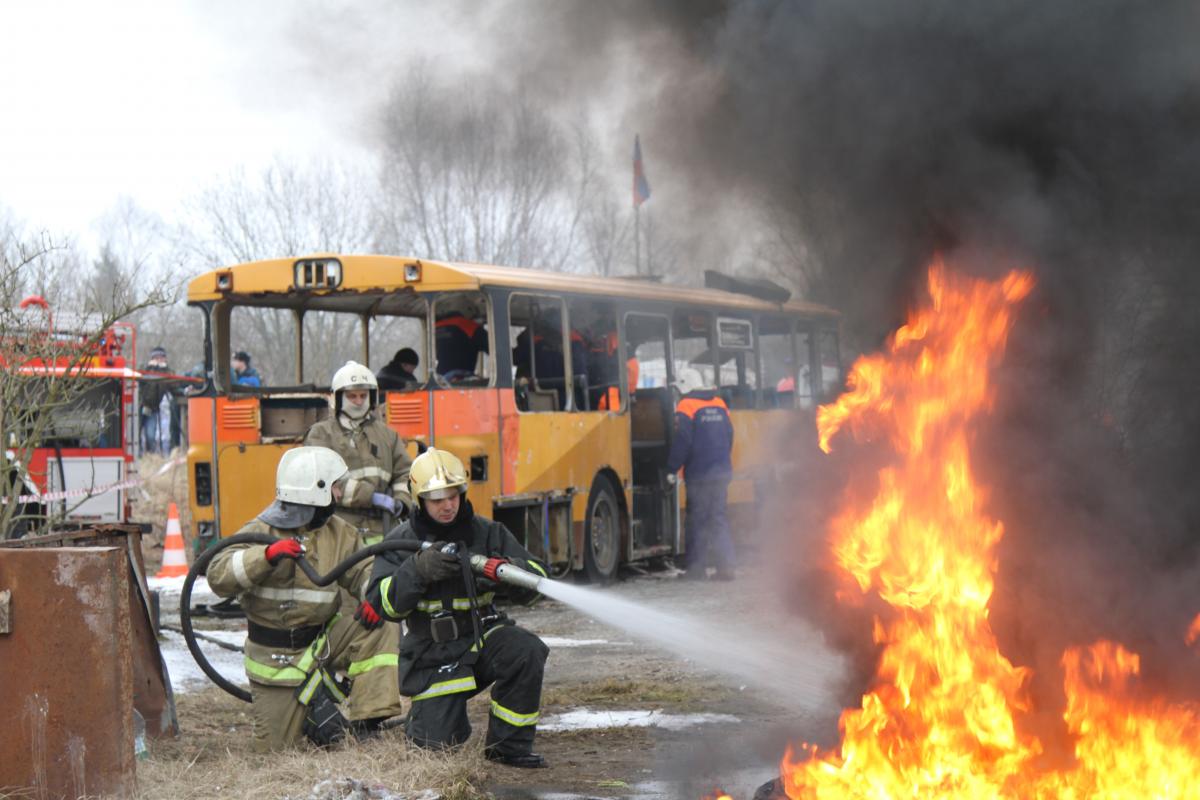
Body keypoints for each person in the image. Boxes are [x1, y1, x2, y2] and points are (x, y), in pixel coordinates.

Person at [206, 446, 404, 751]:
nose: (340, 494)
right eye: (335, 487)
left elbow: (364, 570)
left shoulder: (340, 533)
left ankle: (368, 723)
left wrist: (375, 596)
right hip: (274, 658)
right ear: (318, 491)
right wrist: (265, 556)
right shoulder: (260, 530)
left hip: (322, 642)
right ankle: (310, 705)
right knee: (274, 754)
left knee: (381, 625)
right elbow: (218, 576)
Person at [366, 448, 551, 768]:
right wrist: (417, 571)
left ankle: (509, 746)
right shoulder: (400, 542)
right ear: (419, 498)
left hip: (482, 638)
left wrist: (506, 572)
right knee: (437, 747)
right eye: (437, 498)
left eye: (453, 495)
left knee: (526, 650)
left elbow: (539, 583)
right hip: (431, 653)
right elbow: (382, 605)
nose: (448, 505)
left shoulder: (487, 532)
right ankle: (421, 722)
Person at [304, 361, 413, 546]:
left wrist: (401, 502)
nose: (359, 401)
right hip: (339, 531)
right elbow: (322, 480)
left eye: (363, 395)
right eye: (352, 396)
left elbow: (405, 473)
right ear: (338, 398)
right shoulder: (321, 434)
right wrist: (370, 496)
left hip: (384, 531)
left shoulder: (387, 435)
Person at [666, 367, 736, 580]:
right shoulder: (720, 403)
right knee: (718, 519)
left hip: (699, 475)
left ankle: (696, 569)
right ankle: (726, 569)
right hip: (722, 472)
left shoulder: (686, 406)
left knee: (696, 521)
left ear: (685, 386)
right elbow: (729, 436)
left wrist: (672, 468)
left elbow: (683, 440)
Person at [435, 300, 489, 380]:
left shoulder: (436, 326)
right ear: (468, 311)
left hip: (440, 377)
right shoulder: (468, 326)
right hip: (461, 377)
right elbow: (492, 347)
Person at [139, 346, 170, 453]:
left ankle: (149, 458)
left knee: (150, 435)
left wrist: (164, 369)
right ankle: (137, 457)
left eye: (161, 357)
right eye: (156, 357)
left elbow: (173, 383)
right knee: (135, 434)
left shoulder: (166, 371)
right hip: (140, 407)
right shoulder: (145, 368)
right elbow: (139, 376)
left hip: (152, 409)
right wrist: (150, 367)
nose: (159, 359)